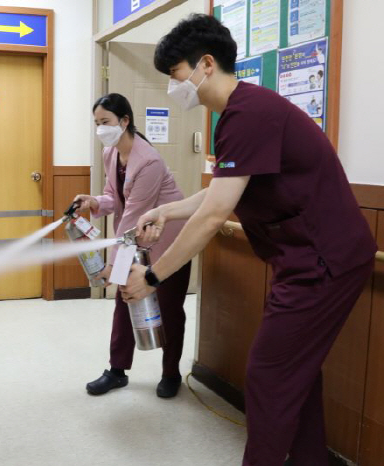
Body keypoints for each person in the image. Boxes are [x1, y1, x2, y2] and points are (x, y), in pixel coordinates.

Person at [120, 14, 376, 466]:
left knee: (269, 373)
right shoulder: (240, 112)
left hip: (324, 260)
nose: (173, 87)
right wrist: (166, 209)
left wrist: (155, 275)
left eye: (175, 75)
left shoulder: (248, 113)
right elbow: (224, 189)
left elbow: (216, 212)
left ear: (205, 64)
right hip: (303, 258)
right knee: (294, 372)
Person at [74, 93, 191, 399]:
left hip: (169, 241)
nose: (101, 129)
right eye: (97, 123)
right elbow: (114, 197)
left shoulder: (148, 160)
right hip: (135, 239)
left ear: (124, 121)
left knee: (169, 308)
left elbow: (133, 214)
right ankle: (116, 370)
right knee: (124, 300)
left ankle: (171, 373)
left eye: (106, 122)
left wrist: (112, 265)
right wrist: (94, 201)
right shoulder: (111, 153)